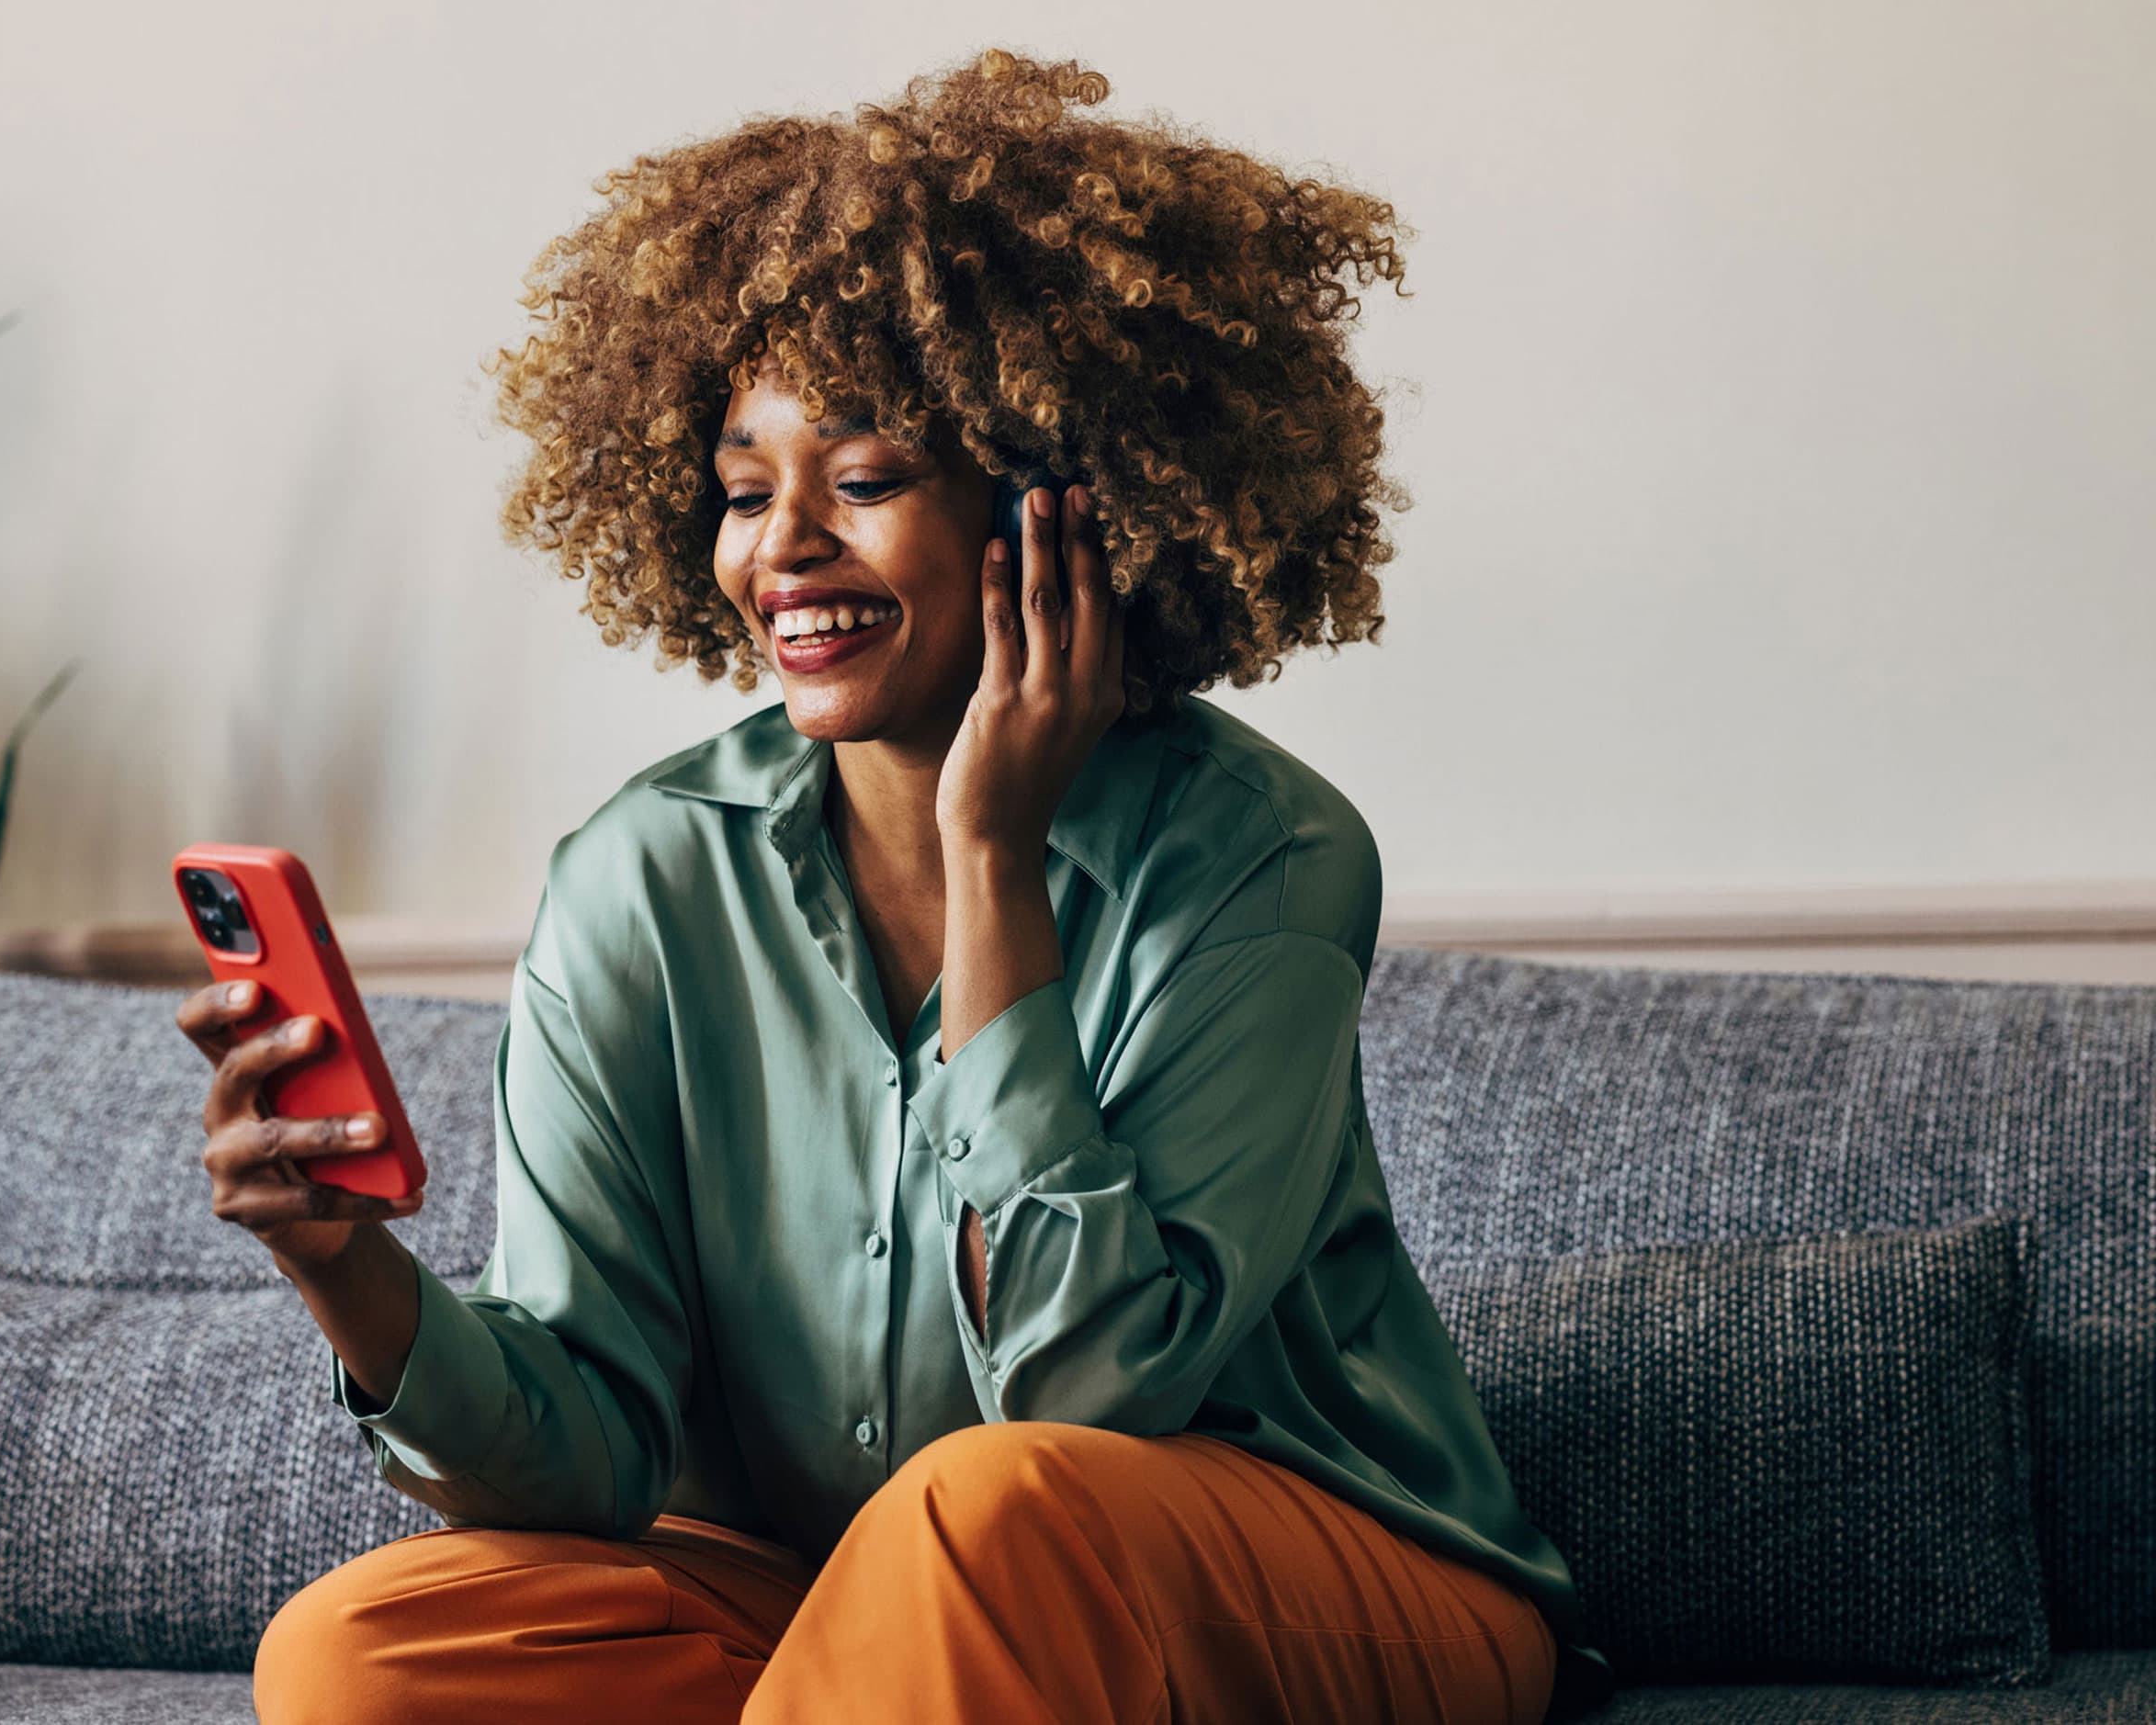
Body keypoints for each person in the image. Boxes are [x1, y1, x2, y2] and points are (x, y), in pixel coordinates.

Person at [189, 44, 1614, 1724]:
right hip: (851, 1595)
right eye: (741, 492)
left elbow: (1089, 1387)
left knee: (983, 1507)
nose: (782, 546)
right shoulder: (644, 880)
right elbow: (587, 1451)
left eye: (861, 481)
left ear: (1052, 508)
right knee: (360, 1652)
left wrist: (992, 856)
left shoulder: (1261, 859)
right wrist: (347, 1271)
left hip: (1322, 1585)